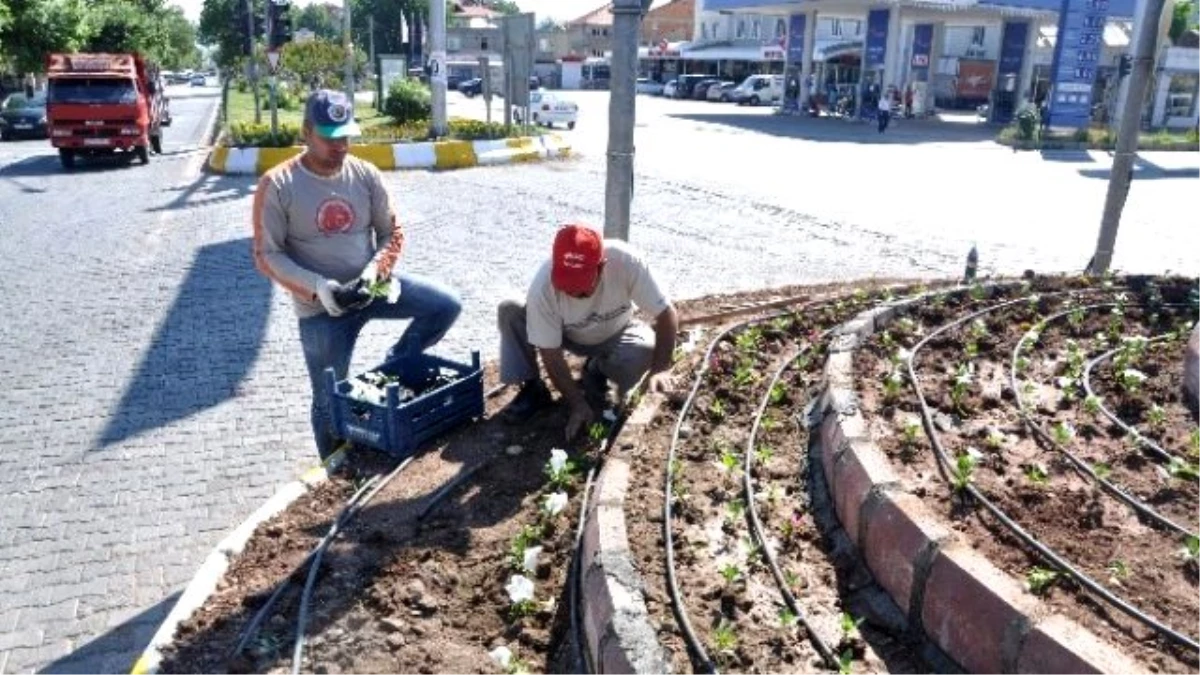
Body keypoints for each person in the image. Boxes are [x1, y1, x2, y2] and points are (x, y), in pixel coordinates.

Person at [252, 89, 462, 460]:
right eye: (329, 138)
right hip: (321, 310)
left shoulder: (365, 175)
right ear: (305, 132)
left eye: (346, 136)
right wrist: (319, 289)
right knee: (328, 398)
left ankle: (397, 362)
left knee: (445, 305)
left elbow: (391, 233)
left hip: (372, 289)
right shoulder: (278, 184)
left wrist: (373, 271)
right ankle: (333, 468)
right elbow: (267, 256)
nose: (340, 147)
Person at [497, 225, 678, 440]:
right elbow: (551, 354)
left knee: (645, 354)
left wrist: (660, 369)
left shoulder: (627, 262)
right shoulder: (542, 286)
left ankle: (597, 368)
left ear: (601, 267)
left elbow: (667, 313)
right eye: (566, 284)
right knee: (510, 310)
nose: (573, 291)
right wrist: (578, 404)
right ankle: (532, 388)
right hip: (564, 335)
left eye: (581, 285)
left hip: (614, 332)